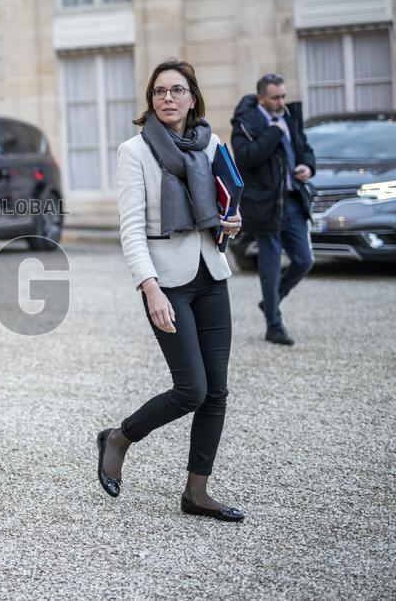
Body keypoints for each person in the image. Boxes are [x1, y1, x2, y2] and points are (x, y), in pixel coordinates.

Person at [97, 58, 245, 522]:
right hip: (166, 282)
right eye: (159, 92)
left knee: (216, 391)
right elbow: (131, 229)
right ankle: (119, 437)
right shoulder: (134, 151)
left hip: (210, 273)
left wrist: (232, 224)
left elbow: (222, 205)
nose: (167, 98)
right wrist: (150, 288)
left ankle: (196, 493)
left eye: (176, 90)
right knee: (191, 389)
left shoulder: (211, 143)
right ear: (151, 99)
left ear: (192, 97)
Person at [231, 74, 316, 345]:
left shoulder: (288, 115)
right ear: (261, 98)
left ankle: (270, 301)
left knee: (304, 260)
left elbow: (304, 148)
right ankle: (274, 326)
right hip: (264, 205)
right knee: (270, 267)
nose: (282, 102)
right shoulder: (246, 122)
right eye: (275, 97)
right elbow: (246, 157)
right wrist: (274, 131)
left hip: (292, 201)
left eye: (283, 96)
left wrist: (307, 166)